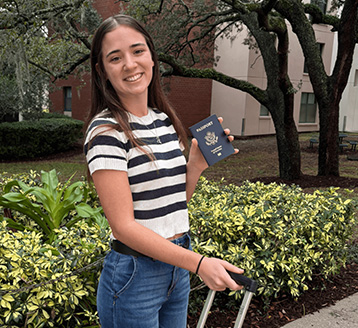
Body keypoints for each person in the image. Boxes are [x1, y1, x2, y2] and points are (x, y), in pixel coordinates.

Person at [83, 14, 243, 328]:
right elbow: (124, 226)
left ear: (153, 58)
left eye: (137, 51)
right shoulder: (106, 132)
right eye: (116, 58)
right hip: (134, 277)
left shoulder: (163, 120)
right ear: (102, 70)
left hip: (176, 266)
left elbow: (170, 205)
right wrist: (199, 264)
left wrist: (194, 167)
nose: (130, 64)